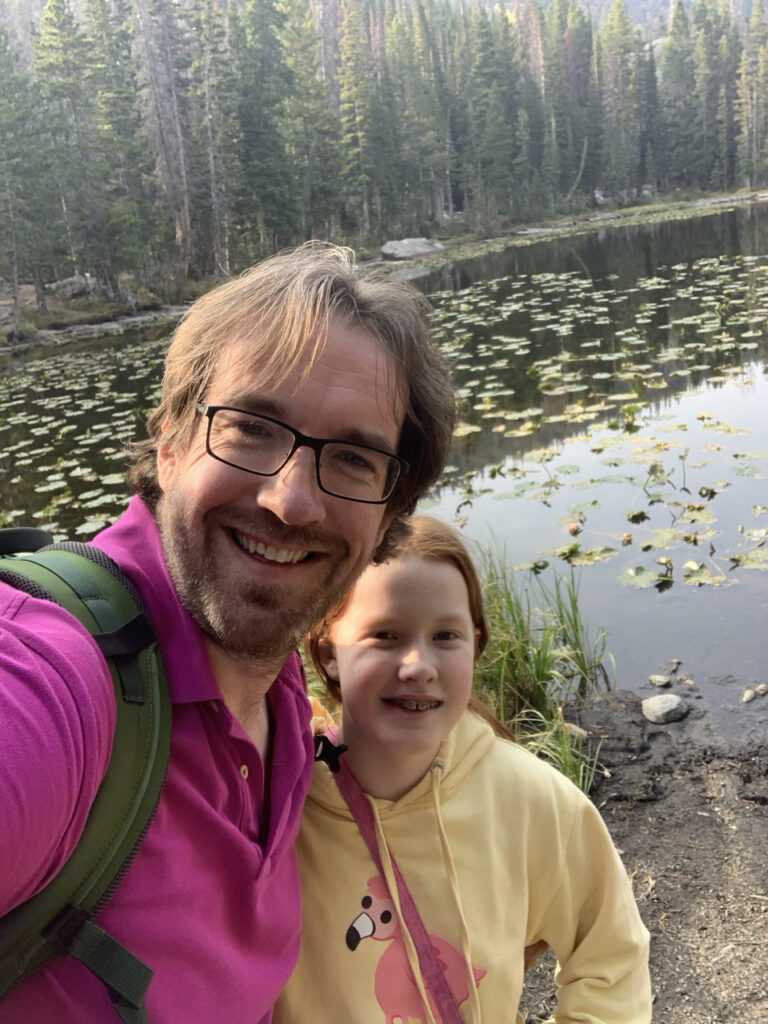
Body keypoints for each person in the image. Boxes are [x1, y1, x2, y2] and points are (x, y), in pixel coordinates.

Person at [0, 243, 455, 1024]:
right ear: (171, 439)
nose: (290, 502)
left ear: (389, 507)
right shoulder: (56, 681)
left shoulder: (276, 692)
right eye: (250, 428)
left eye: (351, 458)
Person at [275, 515, 652, 1024]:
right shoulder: (277, 814)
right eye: (385, 634)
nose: (418, 665)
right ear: (327, 652)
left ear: (476, 643)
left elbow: (611, 953)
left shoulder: (529, 799)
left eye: (446, 636)